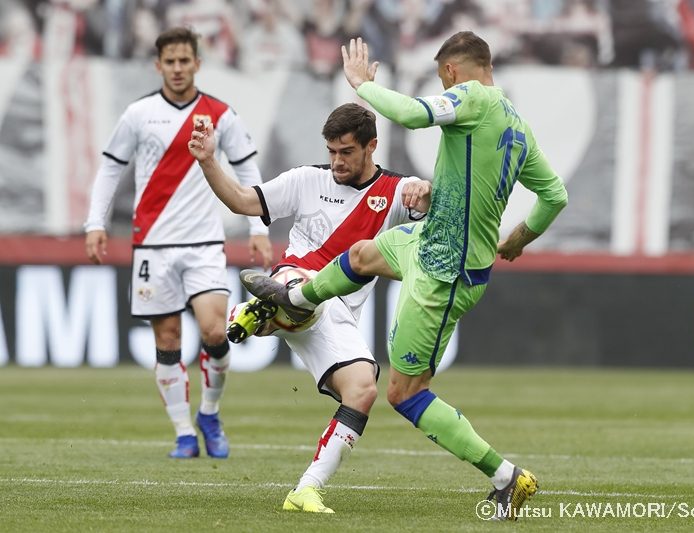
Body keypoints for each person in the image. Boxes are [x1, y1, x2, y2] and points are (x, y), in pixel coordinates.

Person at [239, 32, 568, 519]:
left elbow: (413, 115)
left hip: (444, 270)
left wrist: (361, 86)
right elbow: (554, 195)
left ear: (452, 72)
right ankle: (298, 299)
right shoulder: (519, 128)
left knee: (403, 394)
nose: (443, 85)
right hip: (428, 240)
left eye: (441, 77)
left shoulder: (472, 96)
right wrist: (518, 238)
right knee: (365, 253)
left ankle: (508, 478)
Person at [188, 102, 432, 512]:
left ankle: (305, 489)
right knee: (297, 286)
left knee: (363, 390)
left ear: (372, 146)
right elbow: (243, 202)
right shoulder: (305, 179)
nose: (336, 161)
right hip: (298, 283)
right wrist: (210, 161)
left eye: (347, 152)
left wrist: (427, 192)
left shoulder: (395, 190)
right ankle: (273, 307)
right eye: (331, 151)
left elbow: (440, 219)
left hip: (338, 313)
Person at [84, 27, 273, 459]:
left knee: (214, 330)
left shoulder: (220, 114)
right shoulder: (138, 114)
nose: (177, 68)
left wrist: (259, 230)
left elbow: (248, 172)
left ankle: (209, 411)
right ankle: (184, 432)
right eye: (169, 61)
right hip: (152, 244)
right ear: (158, 65)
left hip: (205, 240)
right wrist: (95, 223)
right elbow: (111, 169)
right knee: (167, 342)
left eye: (184, 60)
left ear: (197, 64)